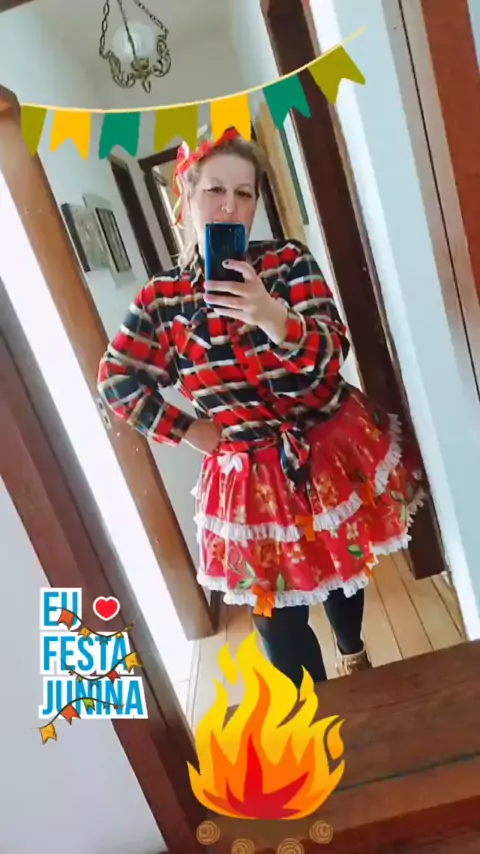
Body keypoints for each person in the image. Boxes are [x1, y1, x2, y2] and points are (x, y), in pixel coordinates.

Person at [97, 126, 425, 688]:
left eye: (244, 193)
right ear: (186, 198)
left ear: (255, 204)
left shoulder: (288, 262)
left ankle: (352, 651)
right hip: (246, 473)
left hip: (324, 445)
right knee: (274, 618)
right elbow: (116, 380)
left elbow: (332, 352)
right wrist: (187, 429)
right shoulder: (162, 300)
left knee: (341, 567)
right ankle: (316, 708)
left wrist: (271, 316)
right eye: (214, 190)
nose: (229, 206)